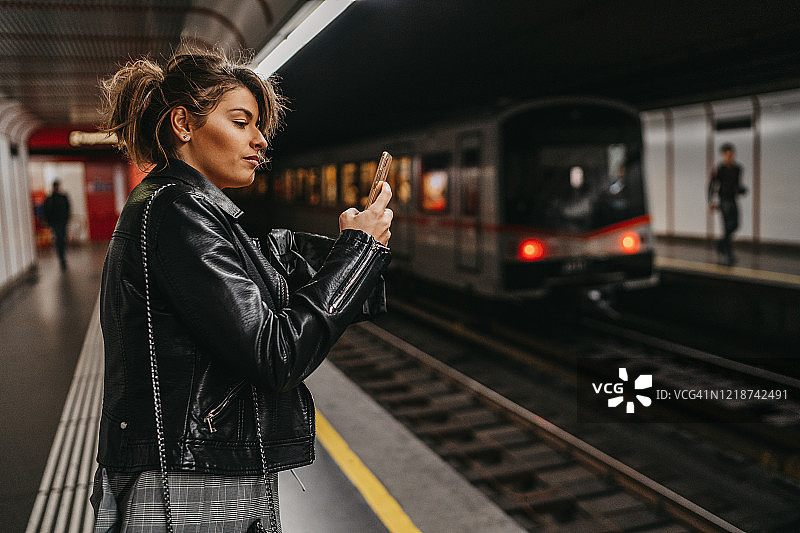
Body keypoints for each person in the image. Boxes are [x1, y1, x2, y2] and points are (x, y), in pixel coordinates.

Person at [91, 46, 392, 532]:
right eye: (241, 121)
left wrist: (350, 250)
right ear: (184, 125)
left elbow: (265, 271)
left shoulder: (187, 209)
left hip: (199, 473)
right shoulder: (177, 211)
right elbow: (278, 354)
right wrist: (358, 252)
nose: (260, 140)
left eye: (260, 127)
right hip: (189, 483)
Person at [708, 143, 746, 266]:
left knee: (735, 225)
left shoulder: (738, 168)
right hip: (723, 200)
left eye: (731, 154)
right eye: (727, 154)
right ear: (723, 155)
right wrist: (711, 201)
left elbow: (737, 184)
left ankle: (720, 244)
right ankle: (729, 253)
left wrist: (742, 190)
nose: (730, 156)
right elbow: (712, 185)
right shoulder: (720, 169)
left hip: (733, 199)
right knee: (726, 226)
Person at [43, 180, 71, 269]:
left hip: (61, 222)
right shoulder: (50, 199)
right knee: (59, 239)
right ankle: (61, 257)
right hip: (56, 223)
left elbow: (67, 209)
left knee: (61, 239)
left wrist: (66, 220)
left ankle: (62, 255)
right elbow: (46, 211)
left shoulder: (61, 197)